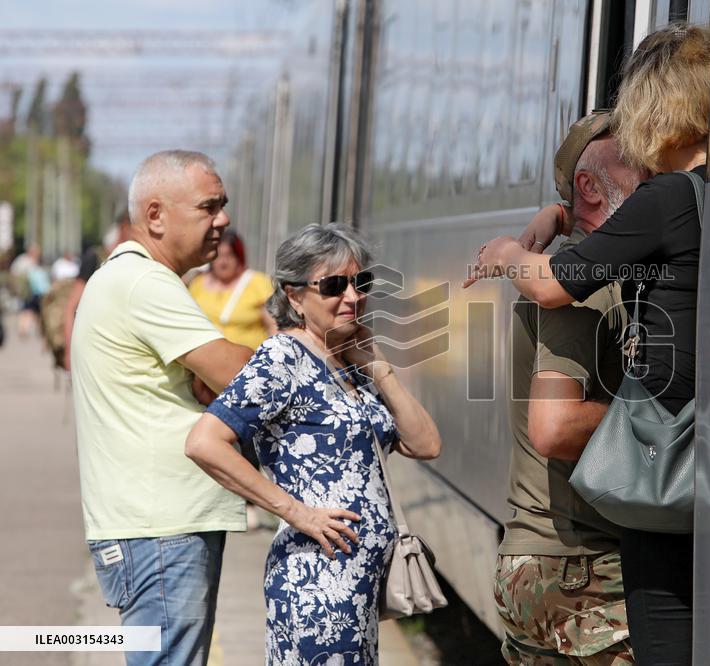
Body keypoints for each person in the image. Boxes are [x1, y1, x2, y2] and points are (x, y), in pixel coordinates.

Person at [469, 24, 710, 666]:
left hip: (660, 464)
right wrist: (559, 214)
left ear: (658, 105)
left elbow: (548, 285)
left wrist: (511, 252)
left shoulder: (668, 196)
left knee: (665, 638)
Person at [185, 223, 442, 665]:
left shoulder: (351, 363)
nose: (353, 296)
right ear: (295, 295)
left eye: (361, 283)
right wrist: (295, 512)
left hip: (357, 587)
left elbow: (426, 444)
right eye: (334, 285)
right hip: (317, 588)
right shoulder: (283, 358)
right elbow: (204, 442)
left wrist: (378, 365)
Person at [71, 150, 255, 666]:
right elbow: (244, 377)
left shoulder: (136, 279)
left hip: (153, 526)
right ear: (155, 215)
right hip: (162, 531)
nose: (223, 220)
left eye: (223, 206)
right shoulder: (144, 283)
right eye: (208, 207)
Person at [494, 111, 643, 665]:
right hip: (580, 574)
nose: (655, 170)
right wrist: (669, 420)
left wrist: (557, 215)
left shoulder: (582, 268)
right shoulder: (580, 278)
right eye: (636, 159)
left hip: (549, 567)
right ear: (589, 185)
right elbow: (555, 426)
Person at [62, 211, 132, 371]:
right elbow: (71, 307)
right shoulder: (95, 258)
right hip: (92, 353)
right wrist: (69, 352)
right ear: (124, 227)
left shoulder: (136, 261)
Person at [188, 229, 275, 350]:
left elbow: (273, 327)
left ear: (239, 257)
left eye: (229, 256)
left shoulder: (258, 284)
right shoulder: (198, 284)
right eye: (218, 256)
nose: (223, 263)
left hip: (246, 362)